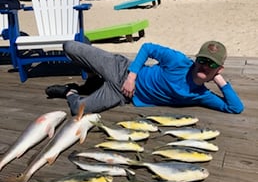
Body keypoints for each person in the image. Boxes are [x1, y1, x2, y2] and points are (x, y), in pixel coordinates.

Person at [45, 40, 244, 115]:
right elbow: (147, 47)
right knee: (69, 47)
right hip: (122, 69)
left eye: (211, 64)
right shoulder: (179, 61)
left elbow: (235, 108)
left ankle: (69, 91)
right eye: (202, 60)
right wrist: (131, 76)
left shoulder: (201, 95)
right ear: (196, 58)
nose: (204, 66)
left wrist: (220, 80)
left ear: (219, 69)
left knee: (77, 109)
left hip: (122, 94)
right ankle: (92, 76)